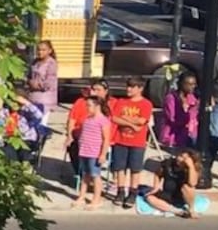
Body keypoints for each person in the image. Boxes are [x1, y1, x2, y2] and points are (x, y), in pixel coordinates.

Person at [107, 77, 154, 207]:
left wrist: (126, 118)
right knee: (119, 167)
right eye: (128, 86)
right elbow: (115, 118)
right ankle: (120, 190)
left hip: (137, 142)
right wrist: (132, 124)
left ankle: (133, 192)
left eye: (132, 87)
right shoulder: (121, 101)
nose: (128, 89)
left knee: (135, 168)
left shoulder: (146, 104)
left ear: (140, 89)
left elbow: (142, 120)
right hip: (120, 139)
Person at [65, 78, 109, 187]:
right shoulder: (81, 102)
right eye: (93, 89)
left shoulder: (110, 104)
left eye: (98, 90)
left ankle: (92, 176)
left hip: (98, 139)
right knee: (73, 145)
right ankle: (81, 174)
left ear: (106, 91)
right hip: (80, 136)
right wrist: (69, 135)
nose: (94, 92)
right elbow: (72, 120)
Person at [71, 92, 111, 209]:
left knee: (95, 175)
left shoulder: (103, 120)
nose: (87, 108)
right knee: (85, 175)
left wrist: (103, 154)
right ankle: (82, 196)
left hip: (95, 153)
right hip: (84, 151)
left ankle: (96, 198)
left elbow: (106, 139)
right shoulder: (87, 119)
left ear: (97, 106)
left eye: (89, 105)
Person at [144, 149, 201, 218]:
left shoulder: (192, 168)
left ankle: (191, 209)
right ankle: (177, 211)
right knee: (149, 197)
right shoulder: (168, 163)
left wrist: (191, 166)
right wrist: (156, 187)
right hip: (168, 194)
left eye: (184, 158)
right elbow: (158, 173)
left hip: (182, 196)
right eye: (180, 156)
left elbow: (193, 183)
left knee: (188, 187)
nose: (180, 159)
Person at [3, 84, 50, 167]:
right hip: (10, 138)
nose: (14, 105)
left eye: (17, 103)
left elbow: (39, 115)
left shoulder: (26, 109)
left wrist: (26, 103)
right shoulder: (7, 110)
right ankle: (14, 167)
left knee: (24, 154)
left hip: (26, 139)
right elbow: (0, 119)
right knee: (9, 153)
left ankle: (25, 167)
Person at [159, 72, 200, 151]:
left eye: (194, 84)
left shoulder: (191, 97)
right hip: (175, 137)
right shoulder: (171, 98)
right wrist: (194, 109)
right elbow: (174, 119)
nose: (192, 87)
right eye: (189, 84)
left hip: (191, 134)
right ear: (181, 84)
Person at [26, 40, 59, 116]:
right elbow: (28, 76)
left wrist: (35, 85)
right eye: (39, 50)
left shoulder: (51, 63)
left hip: (44, 101)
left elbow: (49, 83)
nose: (40, 52)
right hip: (32, 98)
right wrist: (28, 82)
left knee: (40, 123)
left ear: (49, 51)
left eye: (43, 50)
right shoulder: (35, 62)